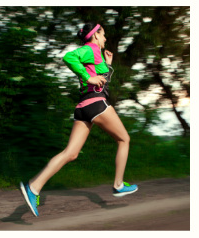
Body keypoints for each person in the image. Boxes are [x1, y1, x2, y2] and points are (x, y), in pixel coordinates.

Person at [19, 23, 138, 217]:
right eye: (104, 35)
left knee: (71, 153)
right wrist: (87, 77)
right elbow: (69, 57)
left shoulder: (96, 55)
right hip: (97, 105)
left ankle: (33, 187)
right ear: (96, 36)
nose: (106, 39)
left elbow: (100, 81)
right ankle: (118, 184)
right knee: (124, 139)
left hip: (83, 107)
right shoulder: (91, 49)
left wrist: (107, 66)